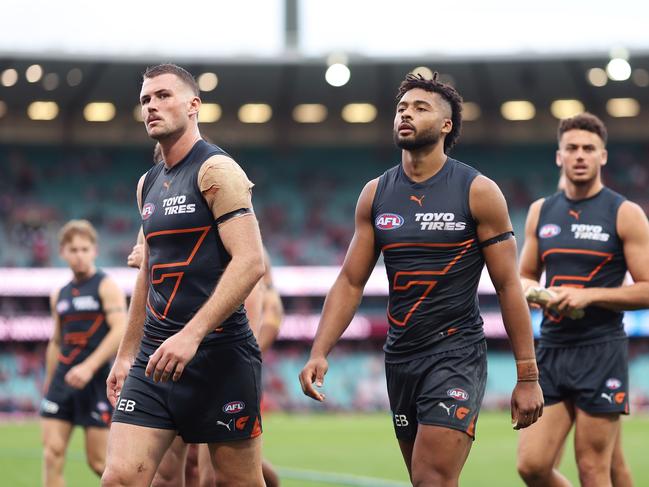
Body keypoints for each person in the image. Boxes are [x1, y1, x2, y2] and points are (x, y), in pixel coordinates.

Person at [299, 72, 544, 486]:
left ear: (447, 126)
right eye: (401, 109)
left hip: (456, 353)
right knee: (422, 480)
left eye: (420, 108)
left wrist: (528, 375)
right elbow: (350, 281)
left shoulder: (478, 191)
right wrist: (319, 350)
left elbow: (507, 287)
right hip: (400, 358)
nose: (405, 115)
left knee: (431, 478)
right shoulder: (375, 194)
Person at [101, 64, 266, 487]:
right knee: (119, 477)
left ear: (194, 105)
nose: (152, 106)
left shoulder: (217, 171)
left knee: (236, 482)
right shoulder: (148, 183)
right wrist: (125, 353)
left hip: (219, 355)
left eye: (163, 96)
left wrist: (191, 336)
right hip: (155, 357)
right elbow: (147, 274)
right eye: (145, 100)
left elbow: (250, 261)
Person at [517, 112, 649, 486]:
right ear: (559, 156)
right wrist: (536, 293)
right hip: (553, 349)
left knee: (594, 468)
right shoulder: (541, 211)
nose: (580, 155)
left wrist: (587, 297)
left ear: (602, 157)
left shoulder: (625, 213)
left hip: (601, 350)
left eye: (588, 148)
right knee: (532, 465)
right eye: (571, 148)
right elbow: (523, 275)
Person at [41, 219, 127, 486]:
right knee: (52, 454)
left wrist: (89, 367)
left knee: (99, 462)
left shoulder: (106, 286)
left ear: (95, 251)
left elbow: (120, 329)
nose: (79, 255)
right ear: (62, 252)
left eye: (84, 249)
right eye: (73, 249)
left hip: (96, 381)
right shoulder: (60, 295)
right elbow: (56, 341)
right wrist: (49, 383)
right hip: (62, 382)